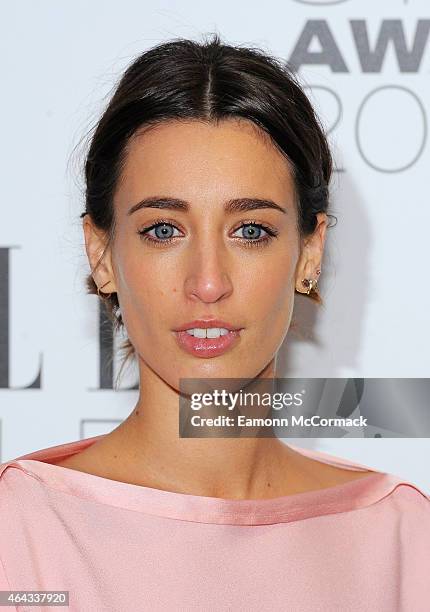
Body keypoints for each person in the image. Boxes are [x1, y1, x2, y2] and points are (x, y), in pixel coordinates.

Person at [1, 33, 429, 611]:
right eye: (163, 230)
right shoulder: (22, 528)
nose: (207, 283)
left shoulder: (400, 536)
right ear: (102, 254)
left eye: (251, 231)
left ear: (309, 252)